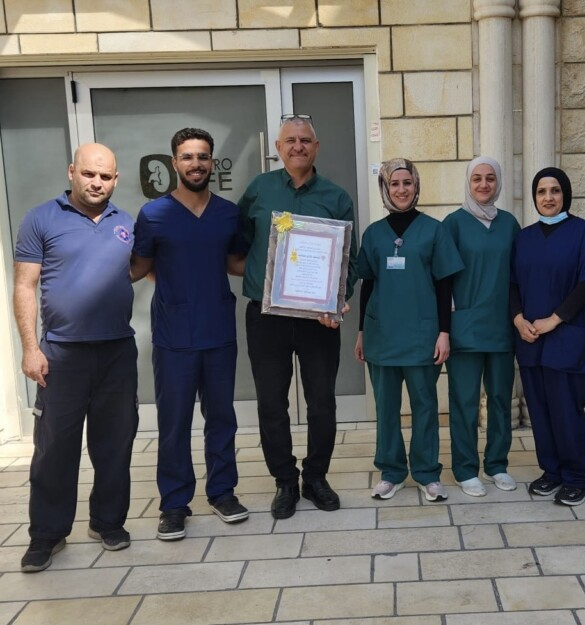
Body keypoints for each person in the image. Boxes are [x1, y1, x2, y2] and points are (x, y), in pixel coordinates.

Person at [13, 143, 138, 572]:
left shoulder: (126, 223)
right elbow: (25, 285)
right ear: (72, 172)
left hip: (117, 351)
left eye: (105, 176)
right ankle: (47, 534)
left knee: (115, 444)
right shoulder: (40, 218)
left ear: (116, 179)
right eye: (89, 174)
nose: (96, 183)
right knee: (54, 449)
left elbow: (137, 269)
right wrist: (30, 348)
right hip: (61, 354)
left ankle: (108, 522)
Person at [238, 114, 358, 519]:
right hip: (266, 317)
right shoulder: (259, 190)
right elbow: (240, 243)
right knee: (272, 403)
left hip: (318, 321)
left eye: (305, 140)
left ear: (316, 147)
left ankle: (316, 478)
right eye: (290, 140)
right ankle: (285, 481)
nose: (298, 146)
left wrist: (337, 299)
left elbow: (350, 260)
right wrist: (261, 279)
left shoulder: (337, 197)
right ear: (278, 147)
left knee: (321, 402)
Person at [131, 128, 248, 541]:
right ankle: (174, 504)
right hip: (173, 336)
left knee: (222, 419)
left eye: (202, 156)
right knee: (174, 423)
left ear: (212, 162)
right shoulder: (154, 214)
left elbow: (236, 264)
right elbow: (139, 267)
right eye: (187, 157)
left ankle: (222, 492)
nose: (195, 164)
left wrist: (287, 263)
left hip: (218, 330)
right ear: (174, 163)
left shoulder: (228, 213)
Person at [354, 158, 463, 502]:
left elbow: (445, 286)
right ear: (385, 188)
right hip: (381, 335)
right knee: (386, 409)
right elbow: (367, 285)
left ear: (416, 186)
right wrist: (361, 332)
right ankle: (391, 472)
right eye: (394, 183)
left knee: (425, 407)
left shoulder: (434, 230)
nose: (401, 190)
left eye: (407, 183)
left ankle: (428, 473)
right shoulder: (374, 233)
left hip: (422, 336)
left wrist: (444, 332)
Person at [511, 167, 585, 506]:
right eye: (541, 191)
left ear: (565, 194)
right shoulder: (523, 239)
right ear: (534, 197)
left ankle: (579, 477)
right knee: (540, 411)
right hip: (530, 339)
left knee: (566, 410)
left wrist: (554, 320)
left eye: (555, 190)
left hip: (568, 337)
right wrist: (518, 319)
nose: (548, 197)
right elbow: (511, 285)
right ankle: (552, 471)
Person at [444, 157, 521, 497]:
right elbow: (442, 279)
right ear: (468, 182)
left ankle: (497, 465)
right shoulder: (453, 224)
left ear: (498, 182)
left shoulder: (509, 225)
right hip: (465, 328)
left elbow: (519, 276)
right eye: (477, 178)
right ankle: (465, 469)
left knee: (501, 399)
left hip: (502, 326)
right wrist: (445, 326)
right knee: (465, 402)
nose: (484, 184)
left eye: (490, 178)